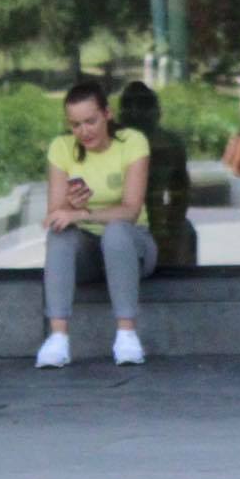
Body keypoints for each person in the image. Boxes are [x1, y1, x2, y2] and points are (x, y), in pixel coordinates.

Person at [35, 81, 158, 367]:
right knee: (59, 234)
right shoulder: (62, 147)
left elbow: (130, 211)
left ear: (107, 114)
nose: (84, 131)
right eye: (75, 125)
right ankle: (58, 338)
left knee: (116, 231)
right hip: (89, 252)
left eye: (91, 121)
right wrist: (71, 206)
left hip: (133, 245)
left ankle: (127, 335)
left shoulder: (132, 142)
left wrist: (83, 214)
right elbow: (55, 215)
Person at [118, 80, 196, 266]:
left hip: (156, 224)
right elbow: (181, 194)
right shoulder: (111, 146)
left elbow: (181, 195)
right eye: (131, 107)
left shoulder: (170, 145)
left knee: (185, 231)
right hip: (123, 223)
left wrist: (171, 226)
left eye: (142, 106)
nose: (136, 112)